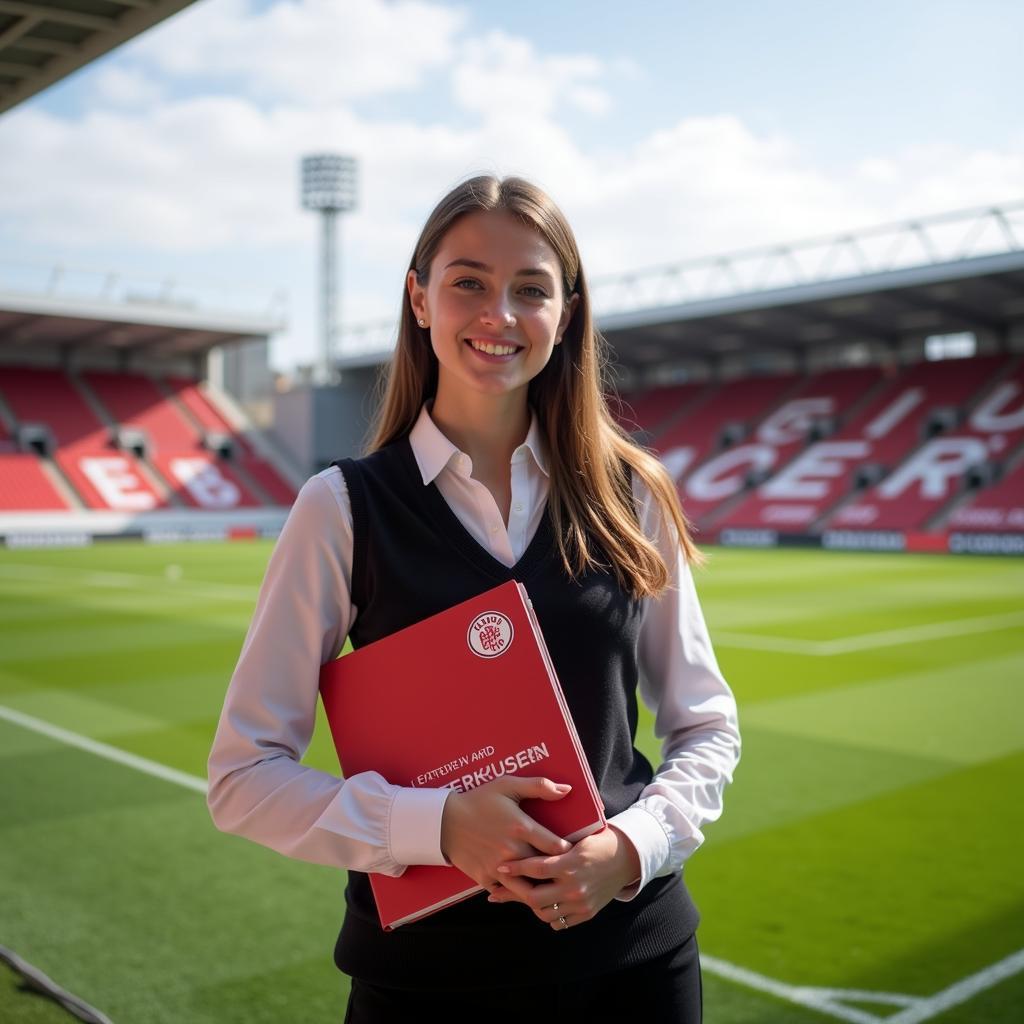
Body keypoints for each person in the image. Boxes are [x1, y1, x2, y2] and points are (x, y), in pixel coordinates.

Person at [207, 174, 740, 1023]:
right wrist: (437, 826)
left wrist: (631, 848)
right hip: (428, 984)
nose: (499, 314)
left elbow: (706, 723)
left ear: (566, 313)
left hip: (632, 964)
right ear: (419, 298)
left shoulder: (630, 494)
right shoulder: (343, 508)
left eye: (531, 288)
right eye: (468, 283)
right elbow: (242, 777)